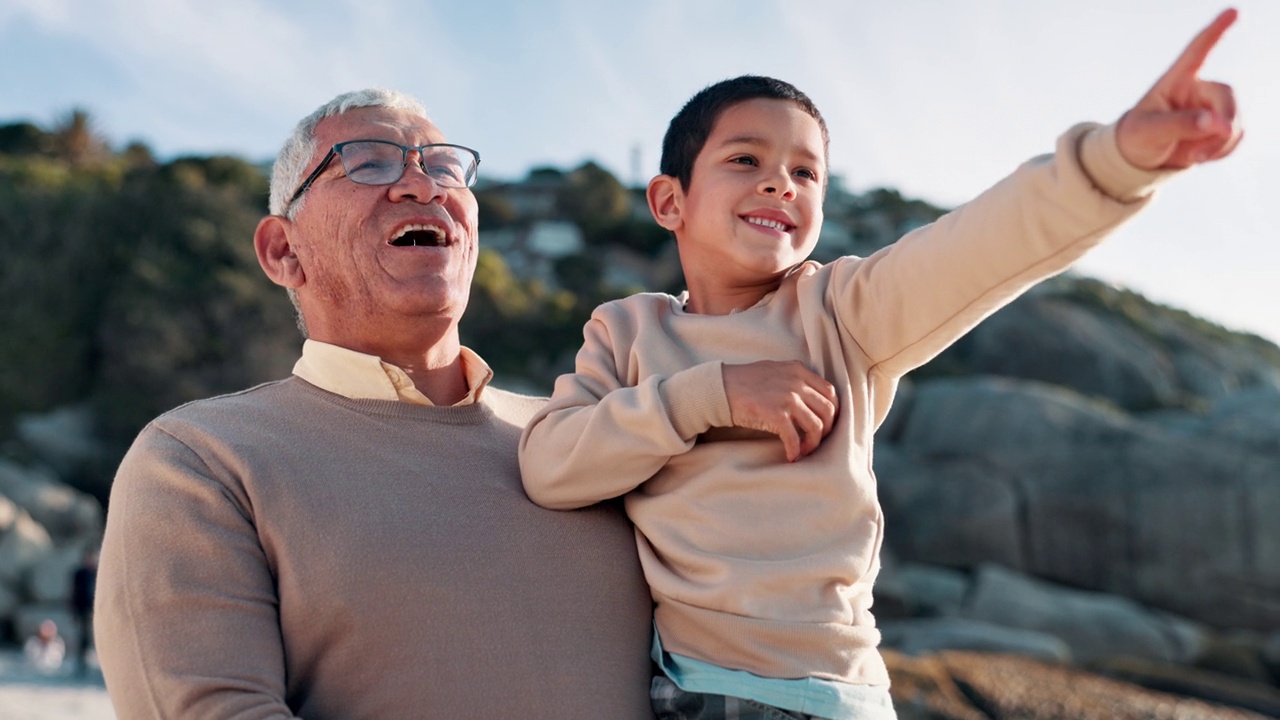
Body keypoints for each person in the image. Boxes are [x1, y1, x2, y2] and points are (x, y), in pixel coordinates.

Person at [519, 10, 1242, 720]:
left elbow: (980, 246)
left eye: (806, 172)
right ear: (669, 200)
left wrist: (1120, 157)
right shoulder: (626, 330)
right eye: (746, 159)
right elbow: (552, 465)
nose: (781, 184)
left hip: (843, 694)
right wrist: (711, 396)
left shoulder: (841, 310)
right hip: (698, 690)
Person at [94, 88, 654, 719]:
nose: (422, 185)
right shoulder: (201, 460)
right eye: (368, 161)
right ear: (284, 250)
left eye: (443, 166)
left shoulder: (586, 433)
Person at [70, 547, 98, 674]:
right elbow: (74, 592)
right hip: (81, 609)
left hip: (94, 609)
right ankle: (82, 661)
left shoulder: (96, 573)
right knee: (82, 636)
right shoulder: (79, 573)